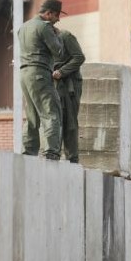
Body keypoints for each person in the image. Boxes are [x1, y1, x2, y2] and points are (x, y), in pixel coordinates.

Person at [18, 0, 64, 160]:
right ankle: (51, 152)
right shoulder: (44, 28)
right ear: (48, 13)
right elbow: (58, 52)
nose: (58, 19)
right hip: (40, 74)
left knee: (31, 115)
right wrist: (58, 36)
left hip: (24, 75)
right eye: (57, 15)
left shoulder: (23, 27)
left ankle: (28, 152)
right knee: (51, 112)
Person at [53, 29, 85, 163]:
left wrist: (62, 71)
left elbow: (79, 57)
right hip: (55, 85)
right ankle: (54, 155)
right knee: (56, 120)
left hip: (69, 85)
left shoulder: (65, 36)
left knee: (70, 122)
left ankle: (72, 158)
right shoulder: (46, 41)